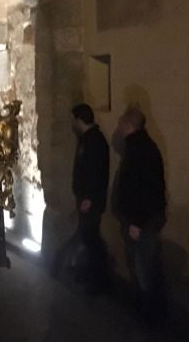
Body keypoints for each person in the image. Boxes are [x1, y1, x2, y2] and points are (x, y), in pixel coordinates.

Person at [111, 106, 167, 323]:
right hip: (143, 218)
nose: (118, 128)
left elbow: (142, 189)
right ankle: (148, 309)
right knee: (142, 265)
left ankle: (150, 314)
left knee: (143, 267)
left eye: (120, 124)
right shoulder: (141, 147)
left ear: (129, 126)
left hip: (141, 221)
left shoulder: (139, 150)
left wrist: (136, 222)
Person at [70, 103, 110, 292]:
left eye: (73, 120)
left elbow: (97, 173)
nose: (72, 124)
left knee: (91, 238)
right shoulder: (88, 139)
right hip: (87, 198)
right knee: (89, 237)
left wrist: (88, 198)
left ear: (79, 120)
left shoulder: (95, 141)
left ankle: (98, 278)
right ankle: (92, 273)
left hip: (90, 200)